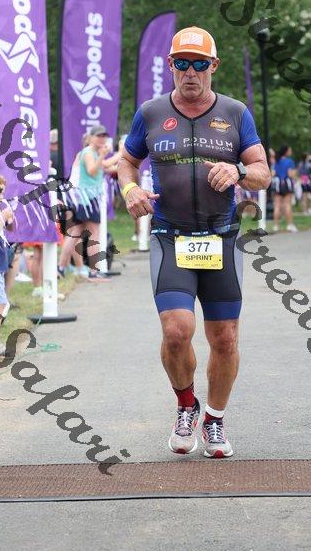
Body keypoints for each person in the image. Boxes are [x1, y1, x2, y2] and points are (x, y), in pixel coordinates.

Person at [117, 26, 271, 458]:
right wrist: (130, 190)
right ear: (170, 65)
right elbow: (127, 161)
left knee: (225, 339)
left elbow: (262, 172)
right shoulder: (150, 113)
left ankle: (214, 420)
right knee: (176, 331)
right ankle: (186, 404)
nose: (190, 72)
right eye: (182, 63)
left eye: (199, 63)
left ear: (213, 66)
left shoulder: (235, 113)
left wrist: (240, 172)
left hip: (221, 238)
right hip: (171, 236)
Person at [58, 125, 115, 282]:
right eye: (99, 136)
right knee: (93, 234)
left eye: (104, 136)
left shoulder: (92, 152)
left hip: (84, 198)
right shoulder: (88, 152)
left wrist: (122, 155)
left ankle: (60, 268)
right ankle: (94, 272)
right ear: (90, 138)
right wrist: (103, 155)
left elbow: (106, 166)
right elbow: (92, 170)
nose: (102, 139)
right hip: (88, 199)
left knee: (75, 232)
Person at [0, 172, 15, 356]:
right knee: (0, 303)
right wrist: (1, 220)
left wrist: (9, 220)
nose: (2, 196)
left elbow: (9, 229)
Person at [271, 145, 297, 232]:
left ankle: (275, 226)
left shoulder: (276, 161)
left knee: (277, 206)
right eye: (290, 150)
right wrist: (295, 173)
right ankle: (290, 225)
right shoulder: (290, 161)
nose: (291, 152)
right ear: (286, 152)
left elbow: (273, 173)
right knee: (287, 205)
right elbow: (290, 174)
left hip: (278, 185)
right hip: (286, 184)